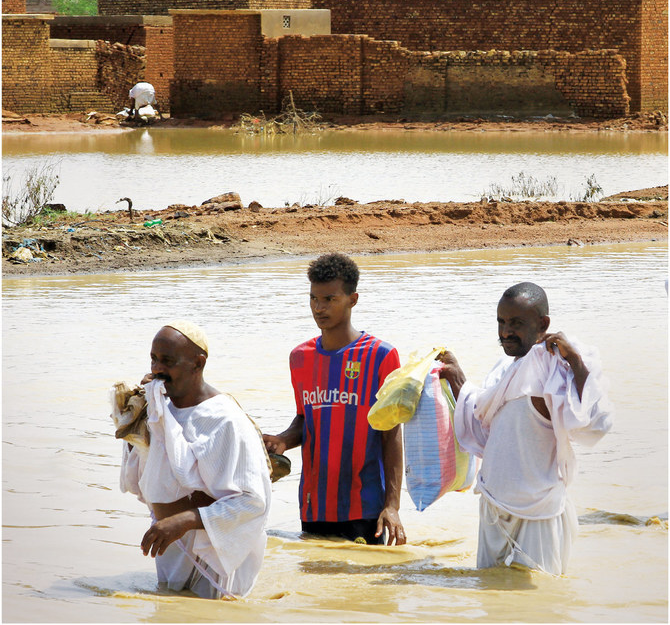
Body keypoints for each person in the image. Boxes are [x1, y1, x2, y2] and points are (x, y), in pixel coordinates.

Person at [438, 282, 613, 575]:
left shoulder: (556, 369)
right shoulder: (504, 369)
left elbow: (597, 423)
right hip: (493, 506)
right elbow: (485, 424)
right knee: (491, 598)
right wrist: (457, 377)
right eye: (501, 322)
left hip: (539, 512)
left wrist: (576, 362)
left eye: (516, 323)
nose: (505, 332)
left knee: (538, 605)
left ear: (543, 323)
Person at [118, 320, 272, 598]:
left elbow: (253, 502)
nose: (156, 369)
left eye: (167, 361)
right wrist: (137, 417)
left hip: (214, 553)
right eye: (153, 359)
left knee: (215, 614)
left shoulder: (225, 420)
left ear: (197, 364)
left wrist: (185, 520)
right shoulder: (158, 410)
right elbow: (142, 478)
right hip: (171, 545)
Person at [263, 253, 406, 546]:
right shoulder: (301, 357)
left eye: (330, 299)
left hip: (365, 507)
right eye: (314, 299)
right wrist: (282, 441)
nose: (319, 308)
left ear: (353, 299)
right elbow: (307, 419)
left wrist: (392, 506)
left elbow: (391, 435)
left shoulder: (381, 356)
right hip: (314, 505)